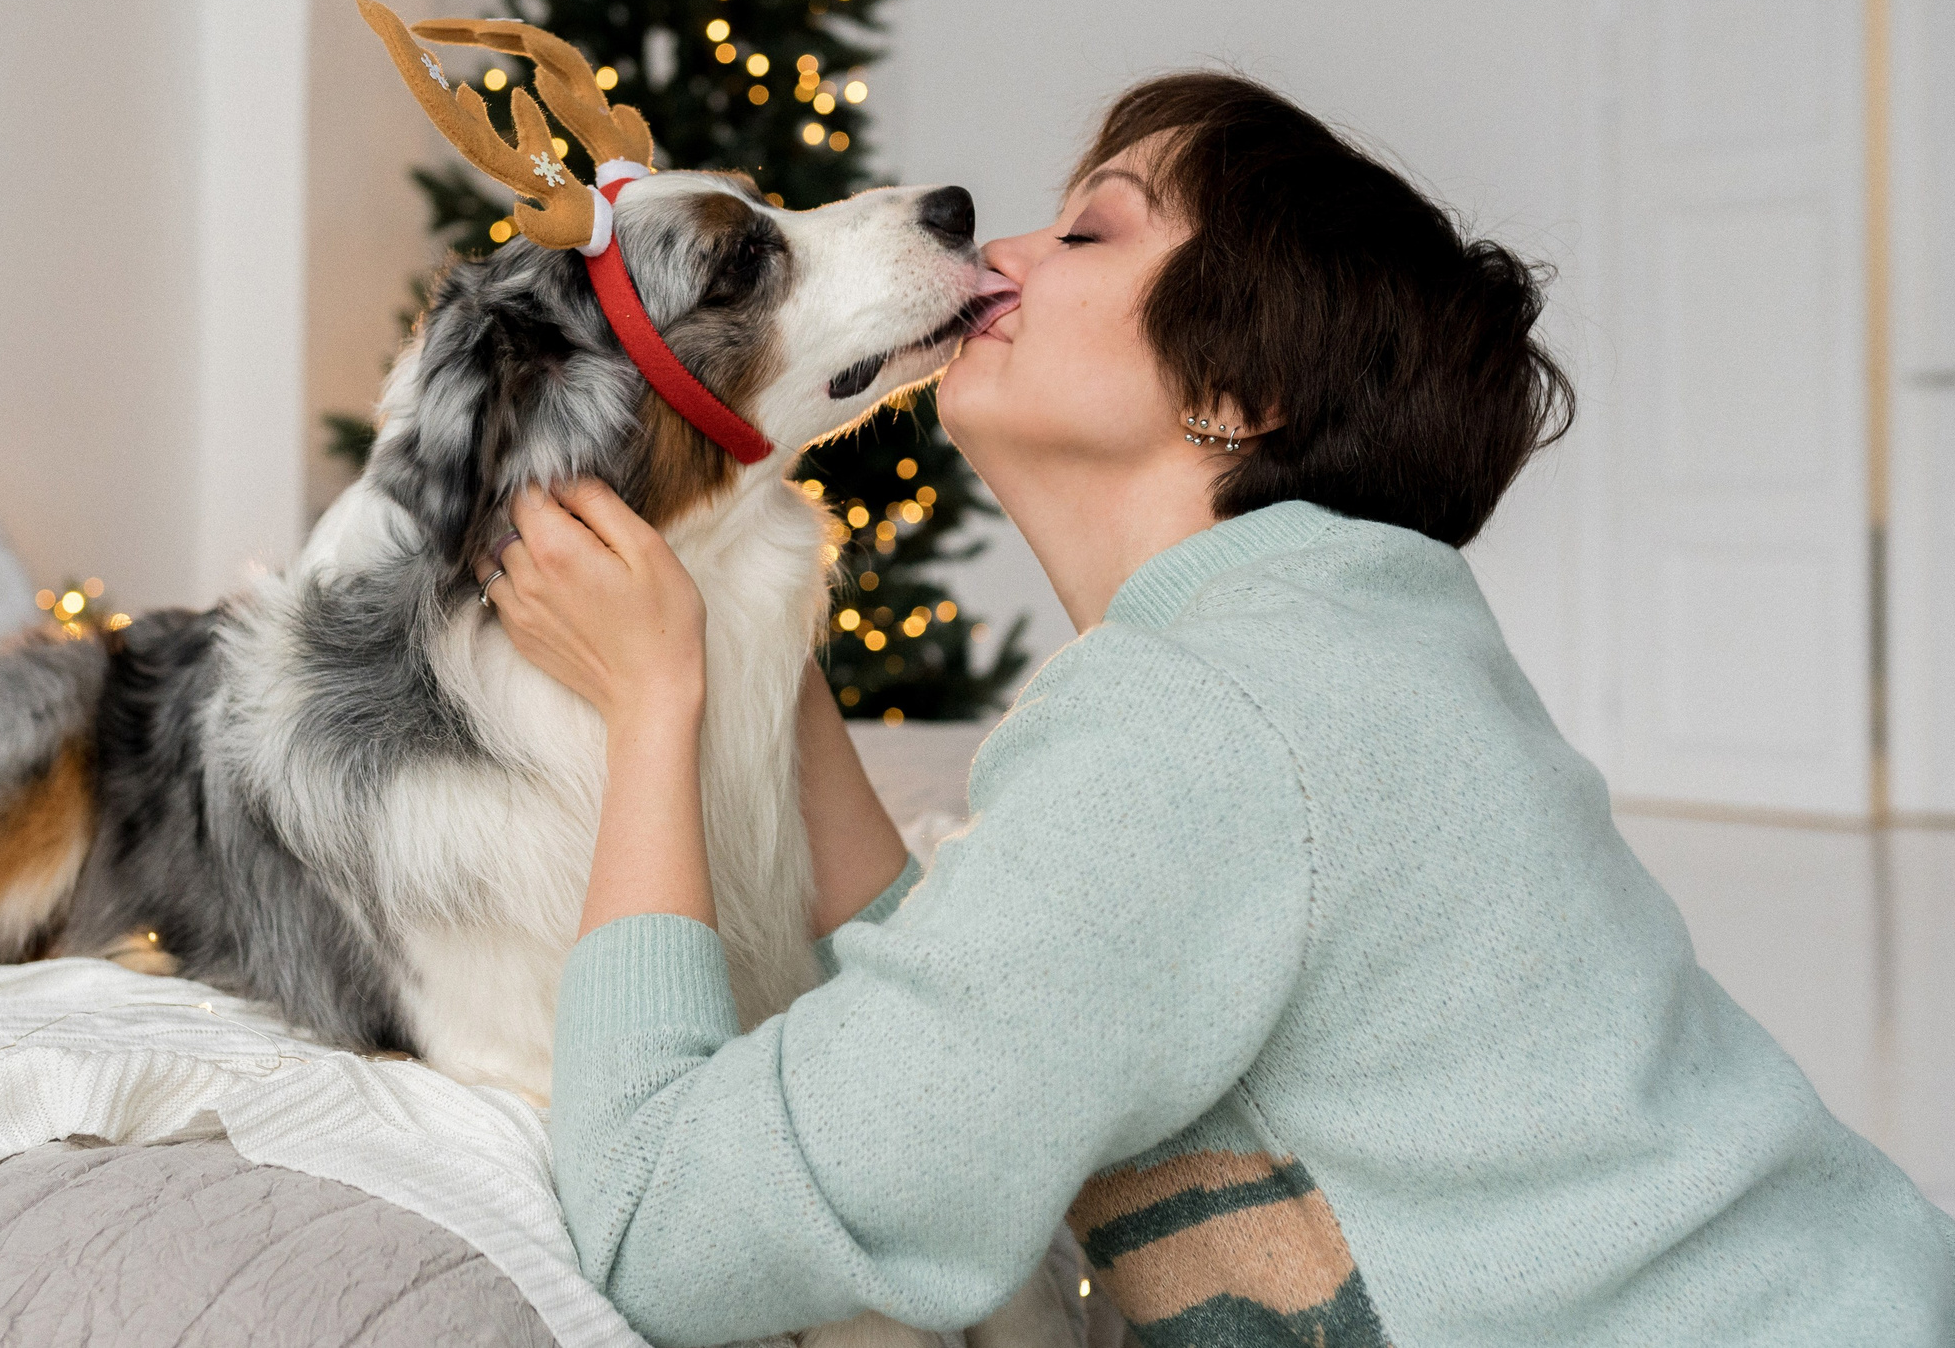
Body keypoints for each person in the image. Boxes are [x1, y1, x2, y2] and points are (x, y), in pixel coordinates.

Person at [481, 73, 1955, 1347]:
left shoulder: (1199, 735)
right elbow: (987, 988)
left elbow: (663, 1227)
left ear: (1239, 392)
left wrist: (657, 703)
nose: (1000, 250)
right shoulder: (1341, 642)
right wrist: (757, 656)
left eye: (1089, 230)